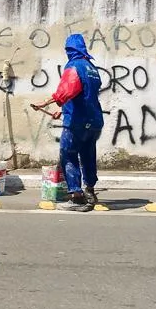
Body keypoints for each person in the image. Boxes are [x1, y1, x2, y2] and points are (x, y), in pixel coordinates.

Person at [32, 33, 103, 212]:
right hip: (94, 121)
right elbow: (84, 95)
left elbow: (65, 92)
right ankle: (90, 190)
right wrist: (62, 111)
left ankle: (77, 196)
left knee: (68, 154)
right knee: (88, 155)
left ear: (70, 50)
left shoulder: (74, 66)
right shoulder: (92, 68)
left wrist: (45, 103)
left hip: (77, 122)